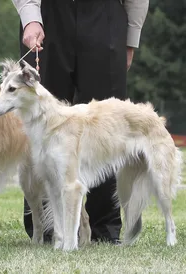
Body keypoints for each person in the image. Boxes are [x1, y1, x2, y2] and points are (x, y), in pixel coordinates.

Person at [12, 0, 149, 243]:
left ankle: (104, 226)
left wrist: (131, 36)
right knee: (43, 123)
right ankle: (47, 227)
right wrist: (30, 16)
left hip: (106, 17)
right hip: (48, 17)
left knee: (106, 125)